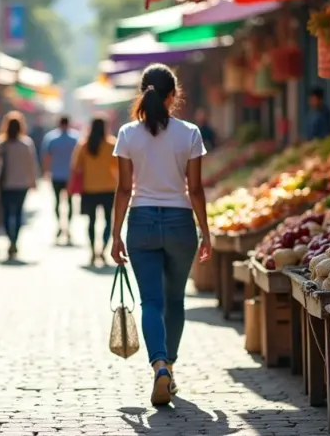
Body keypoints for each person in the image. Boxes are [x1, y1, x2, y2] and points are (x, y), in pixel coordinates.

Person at [111, 63, 213, 406]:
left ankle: (158, 367)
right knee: (175, 300)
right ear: (173, 96)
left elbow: (124, 189)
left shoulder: (127, 134)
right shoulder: (190, 133)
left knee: (151, 302)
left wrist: (114, 235)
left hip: (140, 223)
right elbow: (195, 189)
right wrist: (207, 233)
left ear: (143, 93)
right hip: (181, 223)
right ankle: (169, 364)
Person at [0, 111, 39, 259]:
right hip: (22, 184)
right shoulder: (26, 144)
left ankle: (10, 238)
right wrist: (33, 181)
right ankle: (15, 239)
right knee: (17, 213)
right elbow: (32, 164)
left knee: (5, 213)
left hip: (5, 184)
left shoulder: (0, 143)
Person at [70, 115, 118, 266]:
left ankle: (92, 251)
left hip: (89, 188)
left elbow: (75, 167)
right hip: (109, 188)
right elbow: (118, 167)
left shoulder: (84, 144)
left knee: (91, 221)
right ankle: (102, 250)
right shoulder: (112, 144)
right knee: (107, 221)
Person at [42, 115, 80, 240]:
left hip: (56, 174)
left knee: (57, 202)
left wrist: (46, 172)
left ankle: (60, 225)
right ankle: (68, 226)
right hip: (70, 176)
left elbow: (47, 157)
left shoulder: (51, 138)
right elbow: (78, 159)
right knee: (69, 202)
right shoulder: (76, 138)